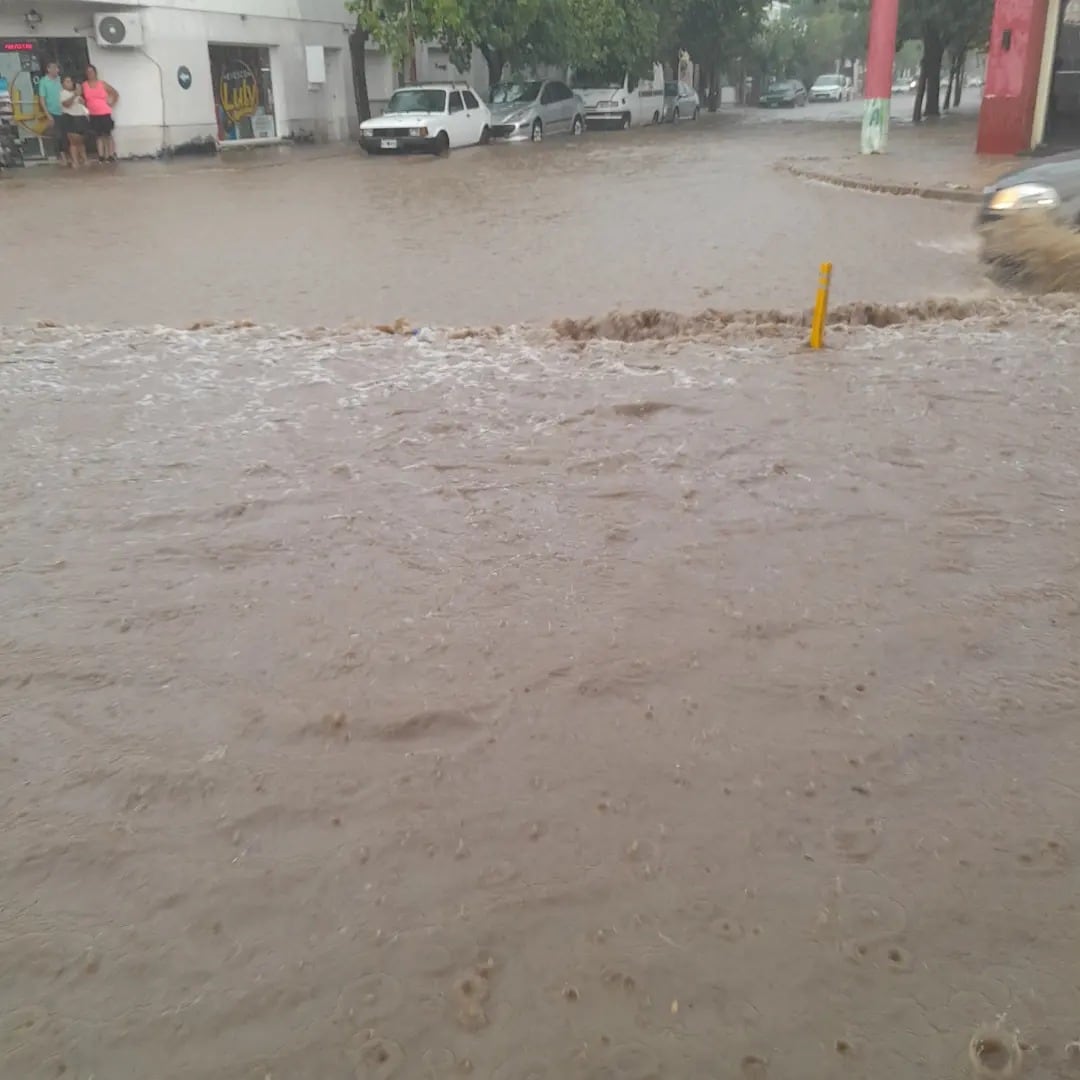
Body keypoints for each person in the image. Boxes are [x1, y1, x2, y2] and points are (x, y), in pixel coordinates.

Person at [82, 64, 118, 162]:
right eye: (88, 72)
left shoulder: (102, 84)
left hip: (104, 112)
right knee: (98, 135)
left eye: (92, 72)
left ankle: (110, 154)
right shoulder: (84, 85)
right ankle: (101, 155)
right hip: (93, 113)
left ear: (95, 73)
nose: (90, 74)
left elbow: (114, 93)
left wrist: (112, 102)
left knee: (107, 134)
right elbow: (83, 98)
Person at [38, 60, 67, 165]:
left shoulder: (60, 80)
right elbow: (42, 99)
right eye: (54, 68)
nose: (56, 70)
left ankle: (70, 155)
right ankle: (62, 156)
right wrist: (48, 114)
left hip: (65, 110)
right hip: (53, 112)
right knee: (58, 135)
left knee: (67, 134)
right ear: (48, 69)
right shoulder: (44, 81)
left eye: (57, 68)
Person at [60, 76, 89, 168]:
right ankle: (75, 161)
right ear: (63, 84)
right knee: (73, 141)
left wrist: (80, 97)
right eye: (67, 81)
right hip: (70, 117)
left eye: (70, 81)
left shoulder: (75, 93)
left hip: (80, 117)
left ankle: (84, 159)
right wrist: (75, 95)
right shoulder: (63, 93)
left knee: (81, 141)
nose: (70, 83)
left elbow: (83, 104)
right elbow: (66, 104)